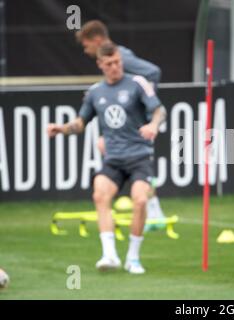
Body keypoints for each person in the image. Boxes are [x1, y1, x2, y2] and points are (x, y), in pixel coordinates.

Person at [47, 42, 166, 274]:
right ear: (100, 64)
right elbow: (81, 123)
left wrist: (153, 124)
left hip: (139, 156)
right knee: (100, 194)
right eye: (109, 64)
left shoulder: (137, 83)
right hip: (113, 159)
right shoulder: (95, 92)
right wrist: (61, 129)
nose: (115, 67)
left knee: (140, 200)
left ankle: (133, 257)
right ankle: (109, 255)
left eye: (118, 62)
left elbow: (160, 110)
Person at [76, 20, 167, 228]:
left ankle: (152, 210)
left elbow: (153, 72)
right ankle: (153, 209)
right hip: (128, 121)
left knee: (136, 161)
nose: (85, 50)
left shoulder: (121, 57)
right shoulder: (114, 58)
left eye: (86, 45)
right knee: (134, 164)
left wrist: (144, 100)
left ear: (96, 40)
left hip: (138, 120)